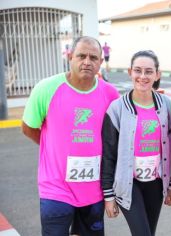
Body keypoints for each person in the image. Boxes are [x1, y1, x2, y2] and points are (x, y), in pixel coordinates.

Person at [22, 36, 119, 236]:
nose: (87, 62)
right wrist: (51, 147)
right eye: (81, 56)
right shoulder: (46, 88)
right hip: (56, 189)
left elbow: (120, 131)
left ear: (101, 62)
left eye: (93, 57)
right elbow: (28, 127)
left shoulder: (110, 94)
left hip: (94, 191)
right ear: (70, 57)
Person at [101, 50, 171, 236]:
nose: (143, 76)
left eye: (149, 71)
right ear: (130, 72)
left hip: (156, 183)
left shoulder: (167, 105)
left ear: (157, 74)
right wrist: (108, 195)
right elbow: (109, 154)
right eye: (138, 71)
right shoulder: (117, 108)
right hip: (128, 183)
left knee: (149, 232)